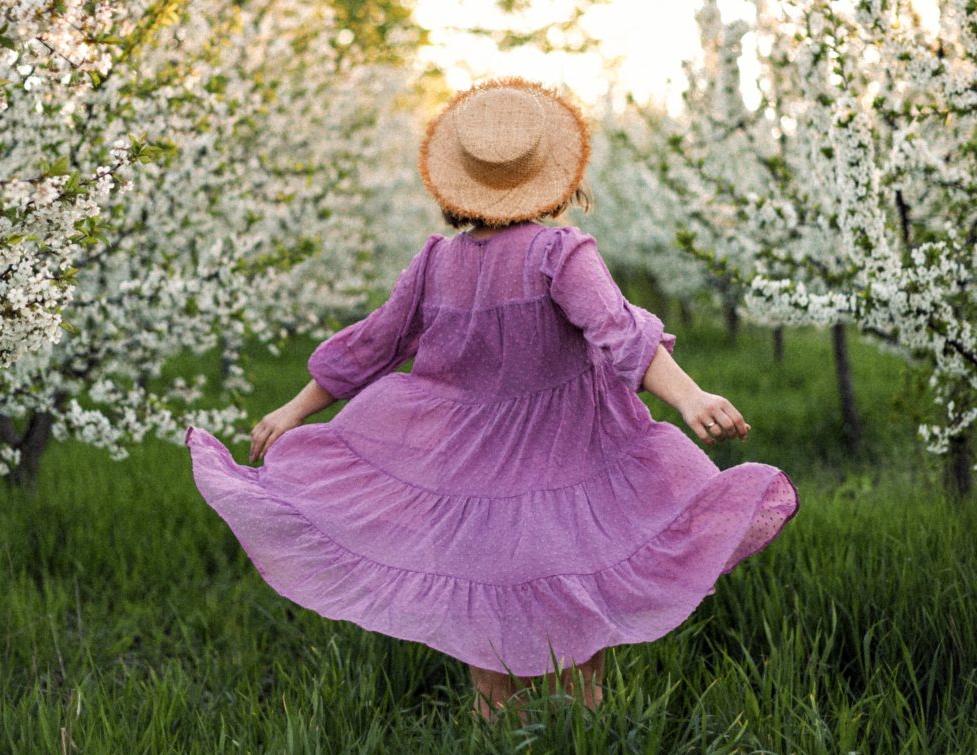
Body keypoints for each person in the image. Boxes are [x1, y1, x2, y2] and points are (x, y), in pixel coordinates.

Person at [185, 77, 799, 724]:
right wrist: (691, 394)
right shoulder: (560, 254)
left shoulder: (434, 262)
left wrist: (293, 409)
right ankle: (580, 734)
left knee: (485, 627)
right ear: (553, 175)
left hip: (468, 477)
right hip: (569, 472)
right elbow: (620, 333)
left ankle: (500, 734)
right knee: (580, 628)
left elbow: (372, 346)